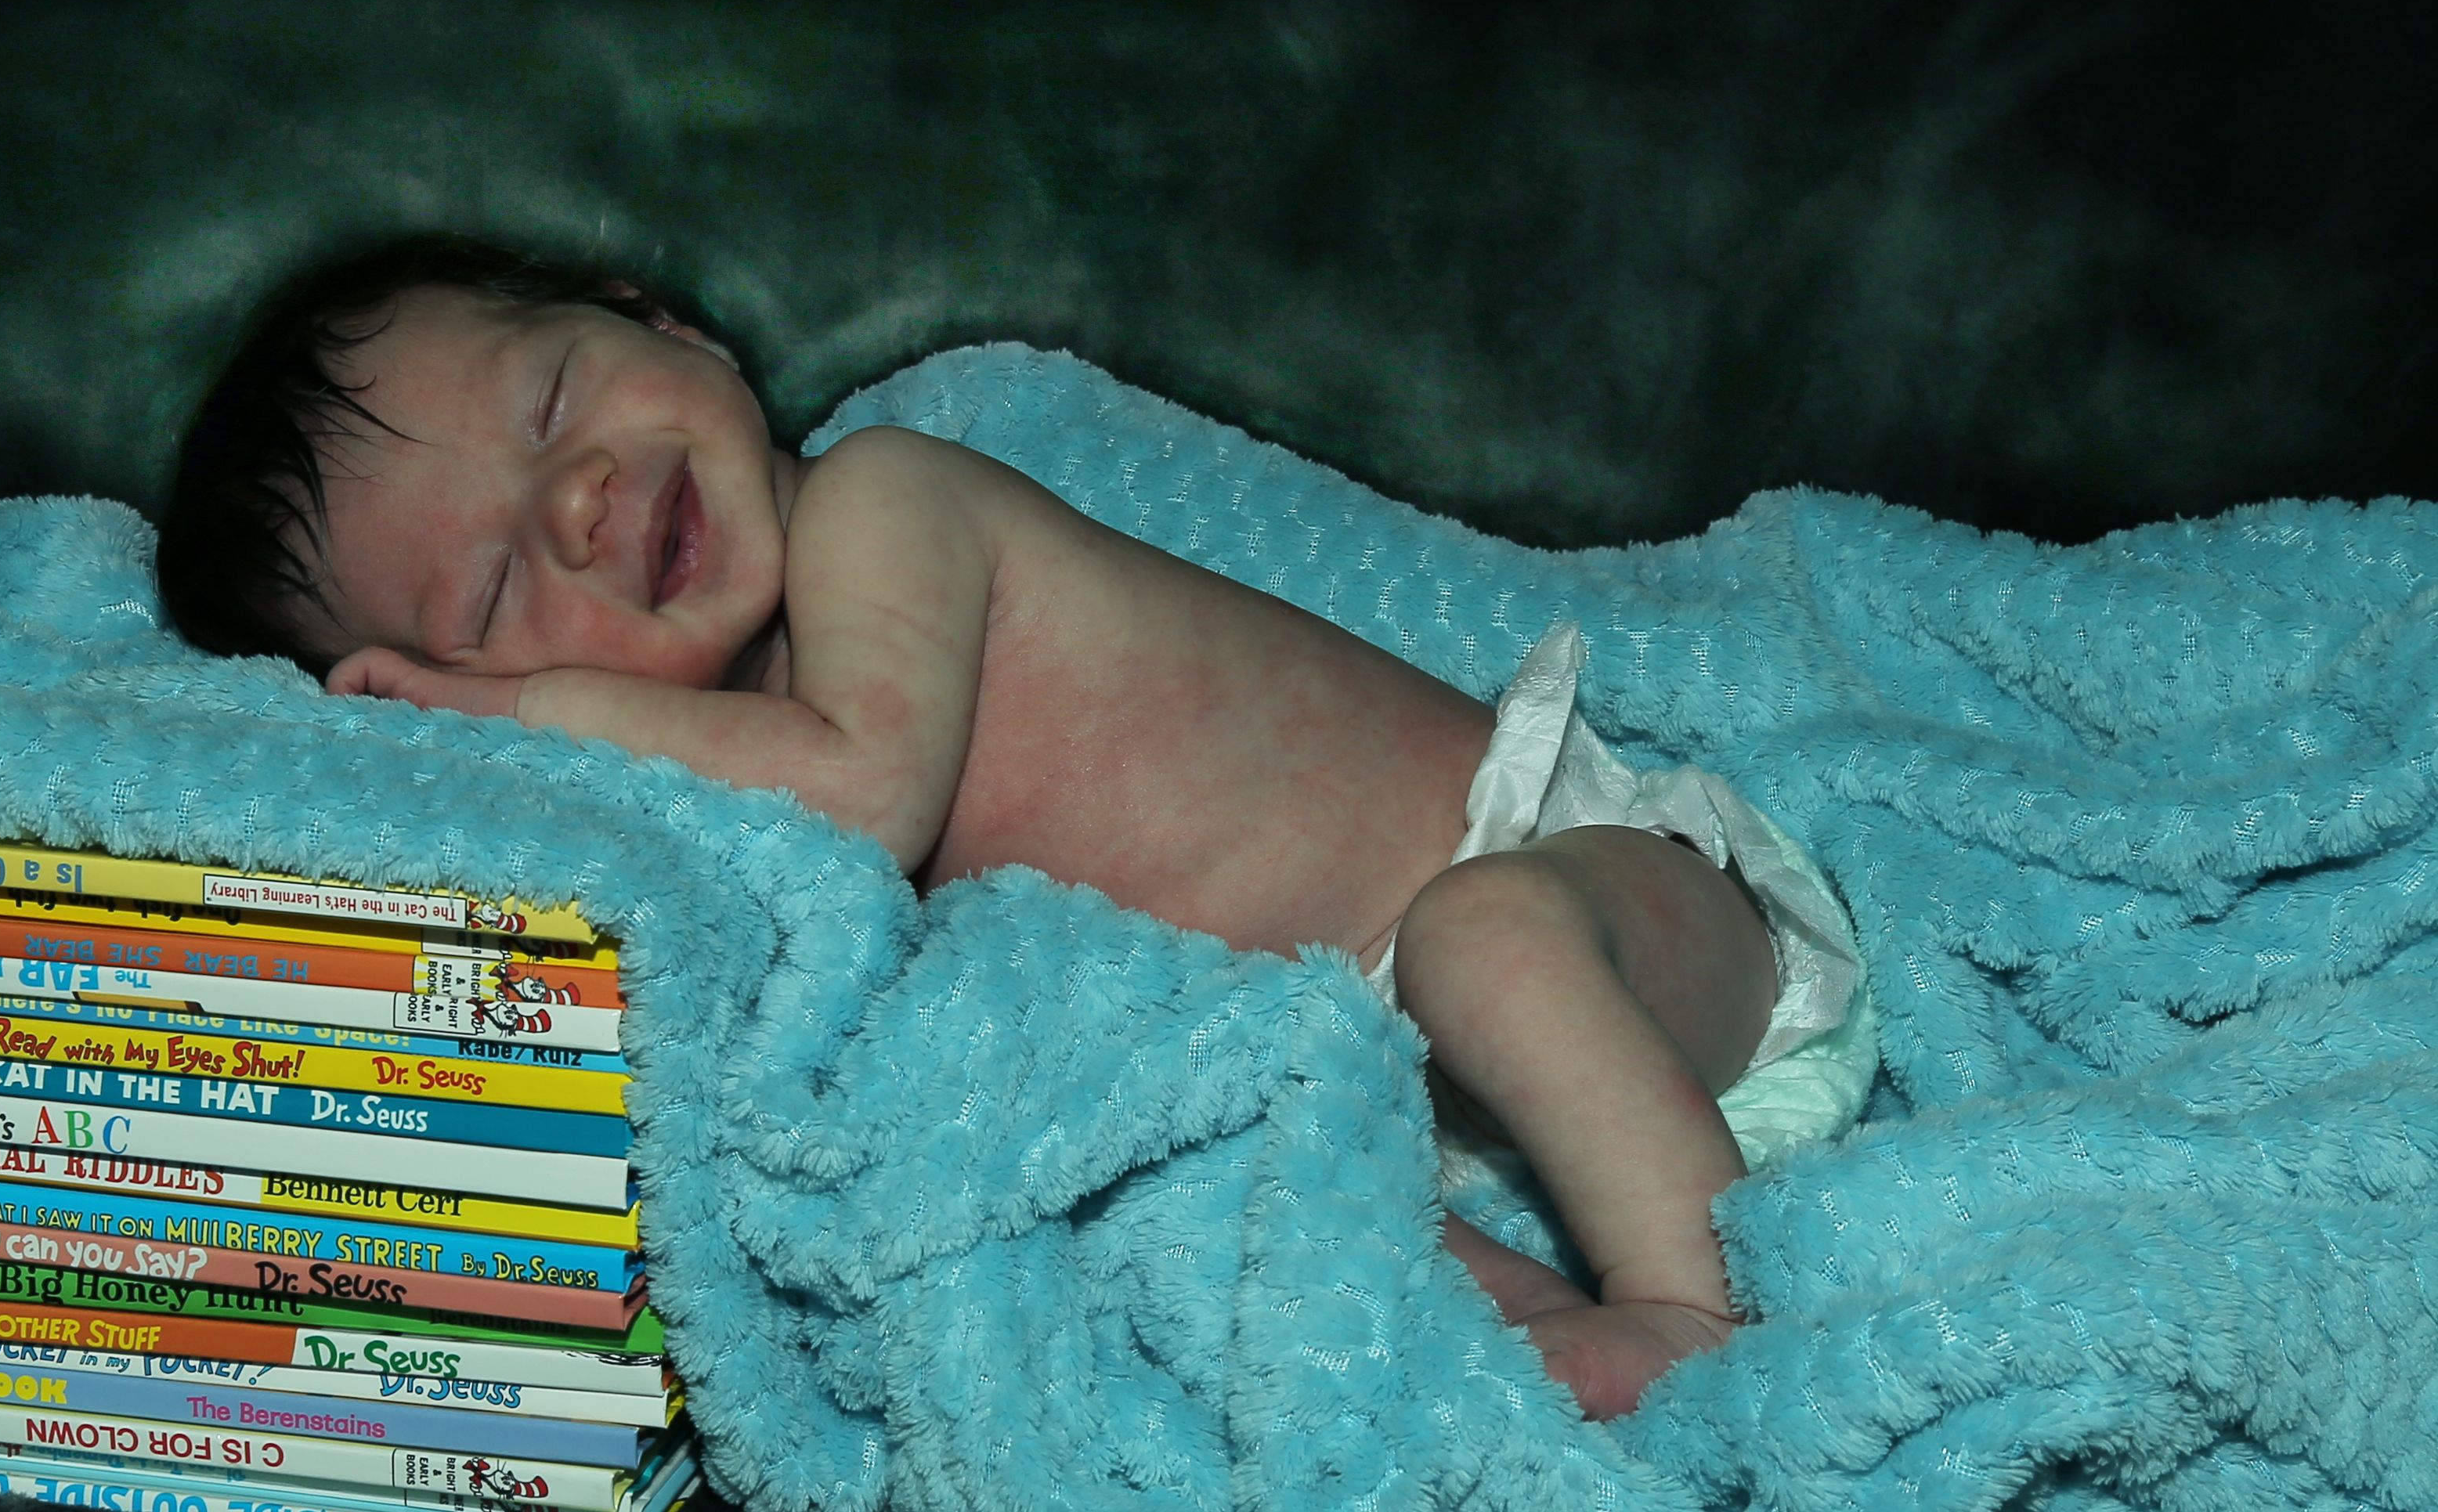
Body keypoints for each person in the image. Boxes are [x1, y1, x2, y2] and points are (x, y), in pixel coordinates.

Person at [159, 234, 1866, 1420]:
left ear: (659, 319)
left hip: (1607, 906)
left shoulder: (889, 503)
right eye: (496, 585)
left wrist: (518, 694)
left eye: (549, 405)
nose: (583, 501)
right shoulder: (722, 799)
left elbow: (869, 786)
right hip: (1415, 1097)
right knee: (1201, 1200)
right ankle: (1576, 1343)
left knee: (1476, 940)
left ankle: (1707, 1313)